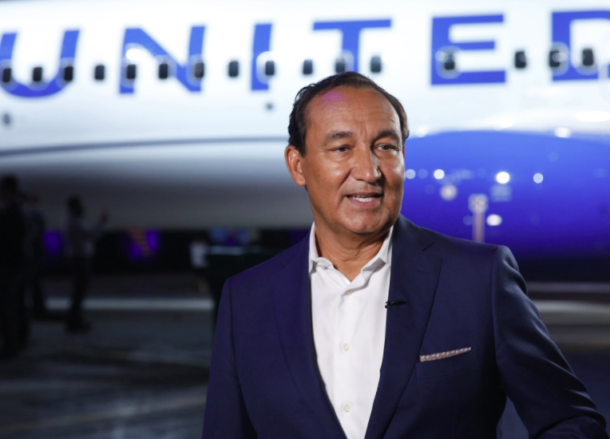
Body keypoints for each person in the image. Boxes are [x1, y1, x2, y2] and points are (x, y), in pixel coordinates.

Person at [202, 73, 608, 439]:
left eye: (385, 147)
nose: (369, 171)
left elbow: (573, 423)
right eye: (342, 148)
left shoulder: (478, 280)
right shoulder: (247, 300)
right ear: (298, 165)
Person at [64, 195, 108, 333]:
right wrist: (101, 222)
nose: (83, 208)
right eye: (80, 205)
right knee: (79, 291)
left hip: (79, 259)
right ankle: (74, 321)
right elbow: (92, 234)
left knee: (79, 291)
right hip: (79, 259)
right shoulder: (74, 222)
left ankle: (75, 320)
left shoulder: (73, 221)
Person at [0, 175, 28, 358]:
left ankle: (12, 344)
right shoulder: (17, 210)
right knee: (15, 303)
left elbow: (9, 240)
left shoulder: (12, 212)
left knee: (8, 305)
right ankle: (17, 340)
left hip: (9, 264)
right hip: (15, 263)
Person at [23, 193, 49, 320]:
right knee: (34, 284)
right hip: (34, 254)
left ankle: (38, 310)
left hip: (32, 255)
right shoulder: (37, 215)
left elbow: (33, 235)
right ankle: (38, 310)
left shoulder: (35, 216)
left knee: (33, 283)